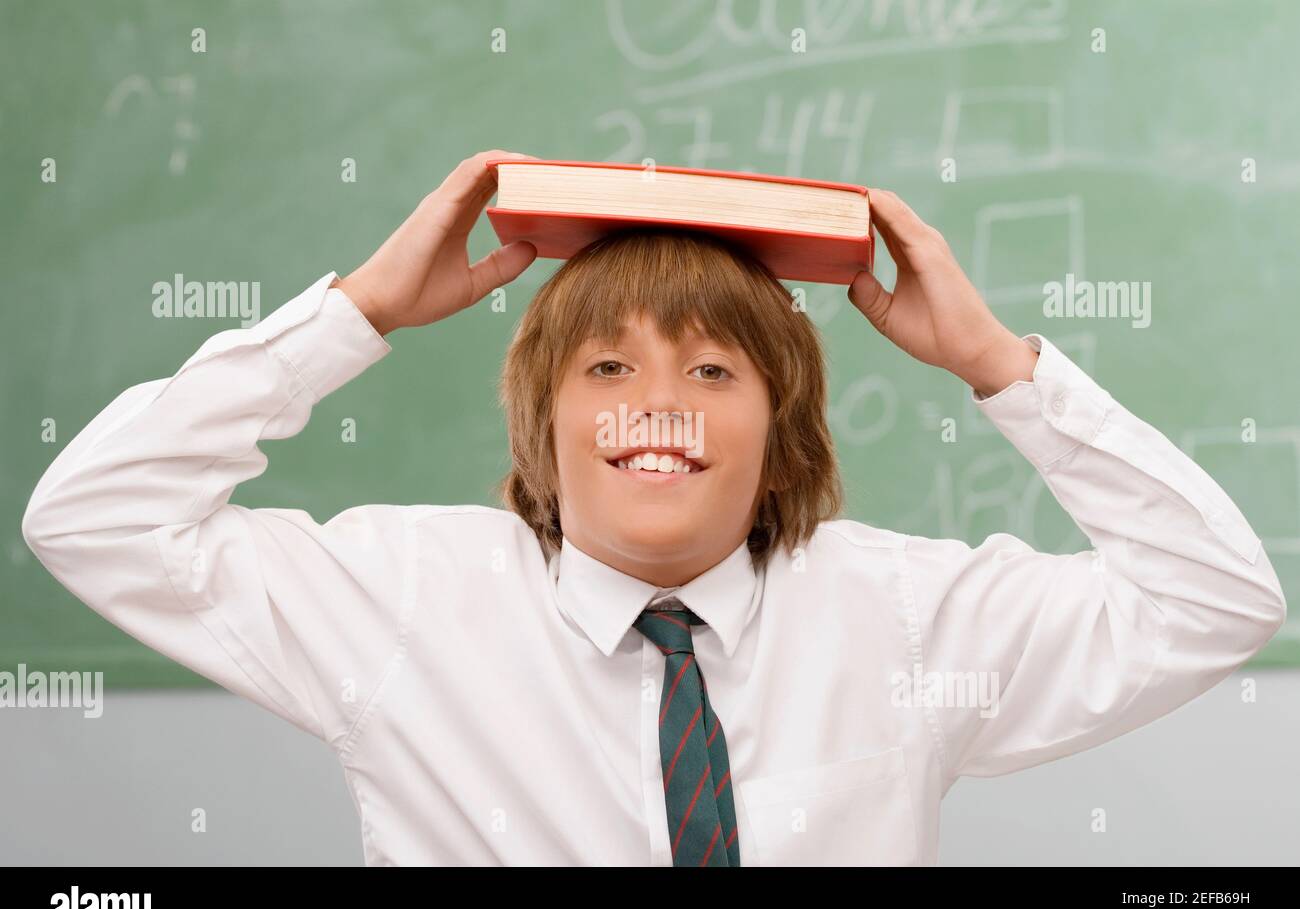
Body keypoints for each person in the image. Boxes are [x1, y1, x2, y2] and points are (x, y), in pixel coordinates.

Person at [22, 149, 1286, 866]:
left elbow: (1215, 601)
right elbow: (94, 518)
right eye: (609, 368)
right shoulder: (406, 597)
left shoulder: (902, 614)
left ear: (781, 440)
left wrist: (1000, 367)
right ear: (547, 426)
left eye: (713, 371)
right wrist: (350, 314)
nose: (659, 407)